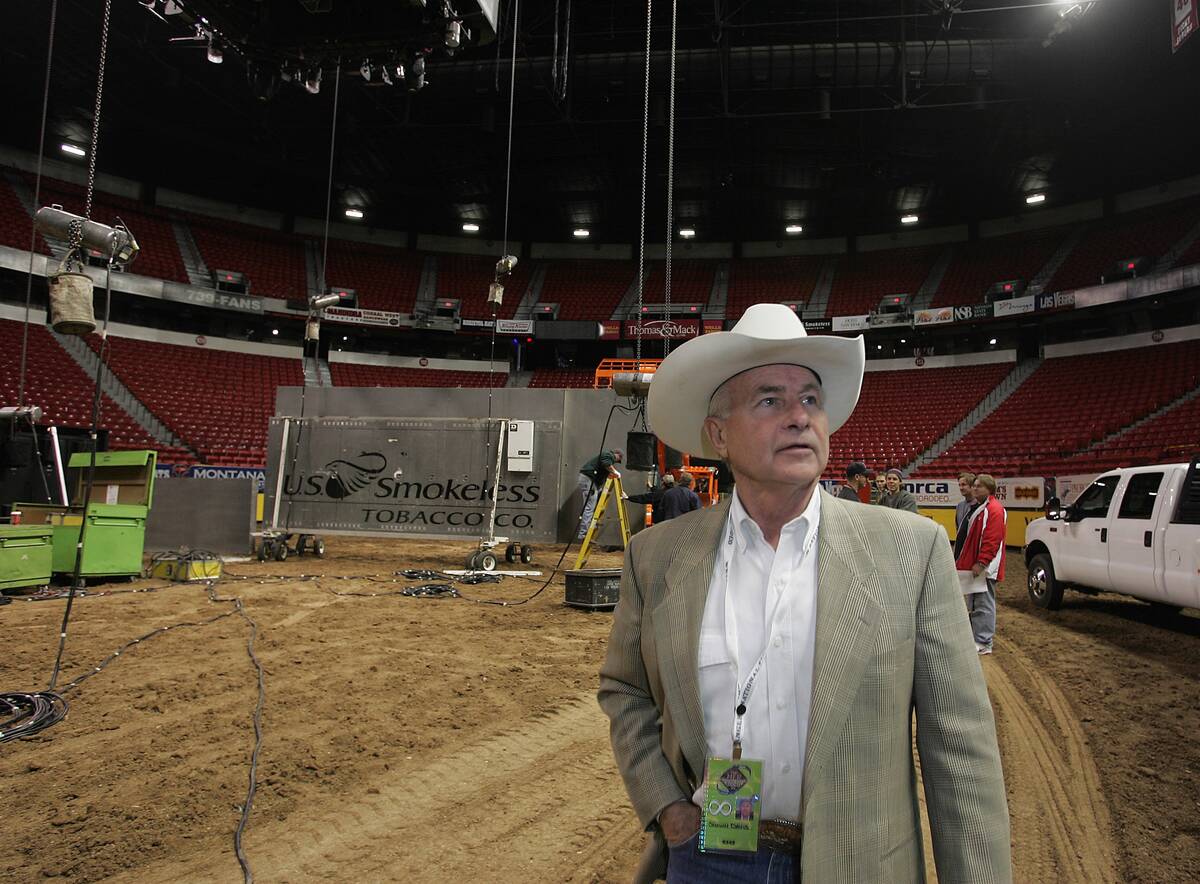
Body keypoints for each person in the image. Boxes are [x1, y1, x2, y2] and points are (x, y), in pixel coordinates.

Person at [599, 303, 1010, 884]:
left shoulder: (910, 551)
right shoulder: (658, 555)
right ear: (719, 434)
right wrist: (667, 808)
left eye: (810, 399)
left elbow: (960, 752)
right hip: (709, 857)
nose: (799, 417)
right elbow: (624, 689)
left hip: (860, 867)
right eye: (770, 400)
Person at [956, 473, 1007, 656]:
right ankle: (977, 638)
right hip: (979, 565)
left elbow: (992, 539)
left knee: (984, 603)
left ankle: (984, 641)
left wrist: (982, 562)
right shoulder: (983, 508)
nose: (974, 488)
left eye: (979, 486)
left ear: (989, 489)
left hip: (986, 567)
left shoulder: (993, 509)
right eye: (975, 485)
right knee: (976, 602)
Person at [576, 447, 623, 539]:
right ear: (617, 455)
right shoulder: (608, 455)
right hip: (588, 480)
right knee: (590, 506)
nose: (615, 462)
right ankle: (583, 533)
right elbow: (606, 463)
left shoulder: (607, 460)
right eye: (618, 460)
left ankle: (590, 525)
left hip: (591, 481)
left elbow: (606, 468)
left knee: (595, 500)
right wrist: (615, 471)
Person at [953, 472, 979, 559]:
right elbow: (958, 528)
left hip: (974, 551)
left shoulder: (979, 506)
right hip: (960, 549)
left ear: (972, 486)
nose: (961, 488)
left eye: (964, 485)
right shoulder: (959, 506)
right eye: (959, 485)